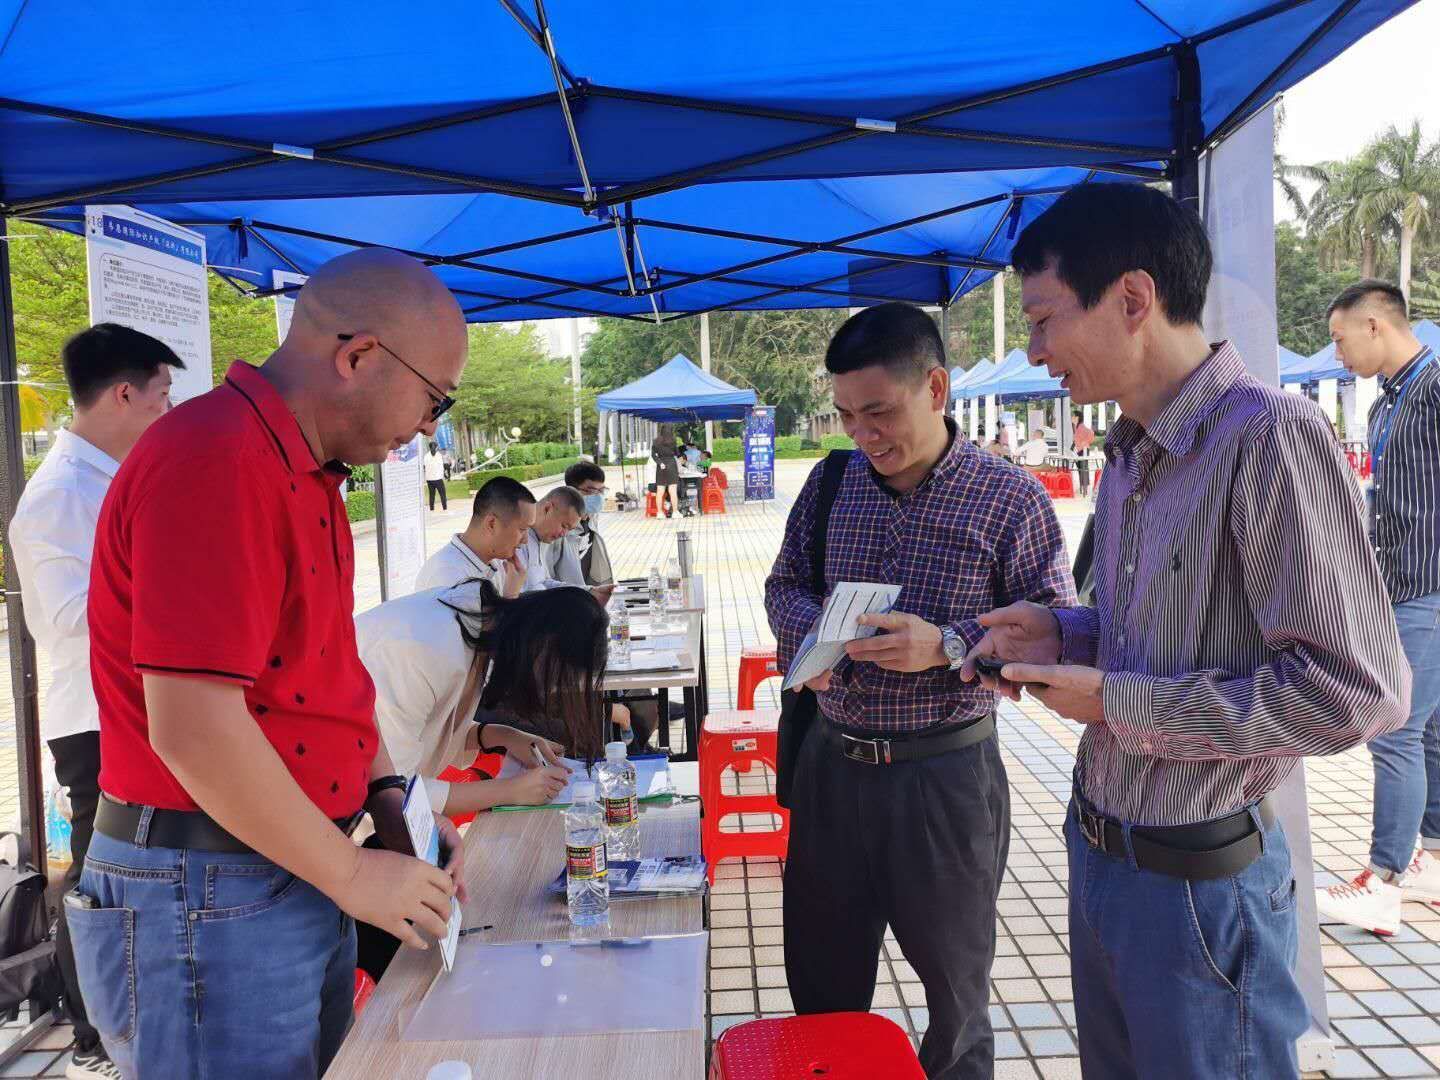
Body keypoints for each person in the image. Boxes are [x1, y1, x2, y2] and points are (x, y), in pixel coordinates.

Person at [967, 184, 1408, 1079]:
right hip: (1104, 858)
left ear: (1133, 298)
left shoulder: (1269, 437)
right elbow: (1154, 638)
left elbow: (1356, 694)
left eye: (1044, 319)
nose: (1034, 350)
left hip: (1202, 888)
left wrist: (1120, 704)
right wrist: (1063, 635)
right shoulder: (1129, 452)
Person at [76, 249, 471, 1078]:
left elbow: (328, 675)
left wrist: (388, 801)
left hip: (286, 867)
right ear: (359, 355)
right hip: (206, 885)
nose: (429, 426)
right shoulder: (217, 459)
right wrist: (354, 873)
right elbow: (194, 729)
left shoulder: (309, 474)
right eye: (435, 398)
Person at [764, 302, 1075, 1079]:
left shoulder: (1010, 499)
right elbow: (784, 583)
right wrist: (810, 638)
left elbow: (1057, 634)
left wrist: (949, 645)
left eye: (878, 411)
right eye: (846, 415)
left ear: (935, 388)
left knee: (956, 1001)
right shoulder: (831, 482)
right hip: (832, 769)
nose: (862, 435)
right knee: (822, 991)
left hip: (945, 781)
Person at [8, 323, 183, 1080]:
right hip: (96, 720)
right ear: (122, 394)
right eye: (162, 396)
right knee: (99, 884)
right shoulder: (57, 497)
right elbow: (64, 619)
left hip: (141, 706)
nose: (167, 411)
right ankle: (91, 1038)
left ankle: (131, 1019)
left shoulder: (114, 476)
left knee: (140, 874)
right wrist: (167, 583)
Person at [355, 579, 606, 977]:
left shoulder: (476, 632)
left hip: (367, 825)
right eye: (552, 676)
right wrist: (508, 791)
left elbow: (434, 733)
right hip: (344, 827)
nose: (547, 690)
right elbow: (393, 794)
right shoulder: (423, 650)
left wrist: (503, 736)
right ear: (541, 649)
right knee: (393, 965)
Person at [1315, 280, 1440, 933]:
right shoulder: (1389, 402)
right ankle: (1430, 861)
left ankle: (1384, 881)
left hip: (1427, 587)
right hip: (1404, 586)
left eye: (1341, 340)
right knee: (1428, 729)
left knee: (1395, 729)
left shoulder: (1434, 388)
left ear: (1375, 325)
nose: (1338, 354)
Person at [415, 475, 535, 597]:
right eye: (522, 529)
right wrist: (511, 596)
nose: (525, 540)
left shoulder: (496, 563)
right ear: (492, 524)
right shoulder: (449, 575)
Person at [557, 460, 615, 587]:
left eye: (601, 491)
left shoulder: (592, 516)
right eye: (591, 491)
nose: (598, 497)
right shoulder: (558, 527)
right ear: (571, 491)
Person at [651, 424, 680, 518]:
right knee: (673, 491)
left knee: (660, 491)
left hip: (661, 466)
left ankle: (659, 513)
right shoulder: (673, 440)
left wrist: (660, 463)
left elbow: (653, 455)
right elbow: (677, 453)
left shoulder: (656, 441)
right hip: (671, 464)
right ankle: (675, 512)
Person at [1071, 406, 1096, 496]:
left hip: (1083, 450)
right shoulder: (1076, 426)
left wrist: (1085, 443)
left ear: (1077, 417)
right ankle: (1082, 487)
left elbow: (1091, 434)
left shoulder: (1081, 426)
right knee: (1080, 469)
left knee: (1083, 469)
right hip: (1078, 450)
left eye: (1073, 416)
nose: (1071, 417)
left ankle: (1084, 489)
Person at [424, 439, 448, 510]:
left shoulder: (426, 456)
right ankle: (445, 508)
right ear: (436, 447)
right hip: (438, 478)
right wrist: (444, 475)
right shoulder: (439, 455)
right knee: (442, 494)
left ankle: (432, 509)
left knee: (432, 495)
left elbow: (424, 466)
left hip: (429, 479)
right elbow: (441, 467)